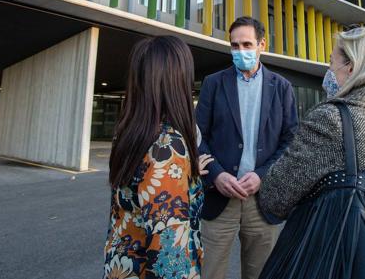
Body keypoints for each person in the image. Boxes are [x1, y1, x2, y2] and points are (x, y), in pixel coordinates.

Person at [259, 26, 365, 278]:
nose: (328, 72)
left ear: (351, 68)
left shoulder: (332, 119)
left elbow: (275, 197)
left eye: (331, 62)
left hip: (337, 264)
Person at [195, 16, 299, 279]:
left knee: (261, 273)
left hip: (262, 201)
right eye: (234, 46)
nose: (240, 51)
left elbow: (290, 142)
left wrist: (262, 175)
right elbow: (196, 136)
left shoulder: (282, 88)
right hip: (219, 197)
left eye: (246, 44)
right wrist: (216, 174)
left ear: (261, 44)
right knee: (210, 272)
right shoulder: (213, 83)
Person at [104, 36, 213, 279]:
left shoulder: (129, 131)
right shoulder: (168, 147)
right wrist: (178, 168)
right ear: (178, 81)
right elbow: (169, 254)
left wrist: (185, 171)